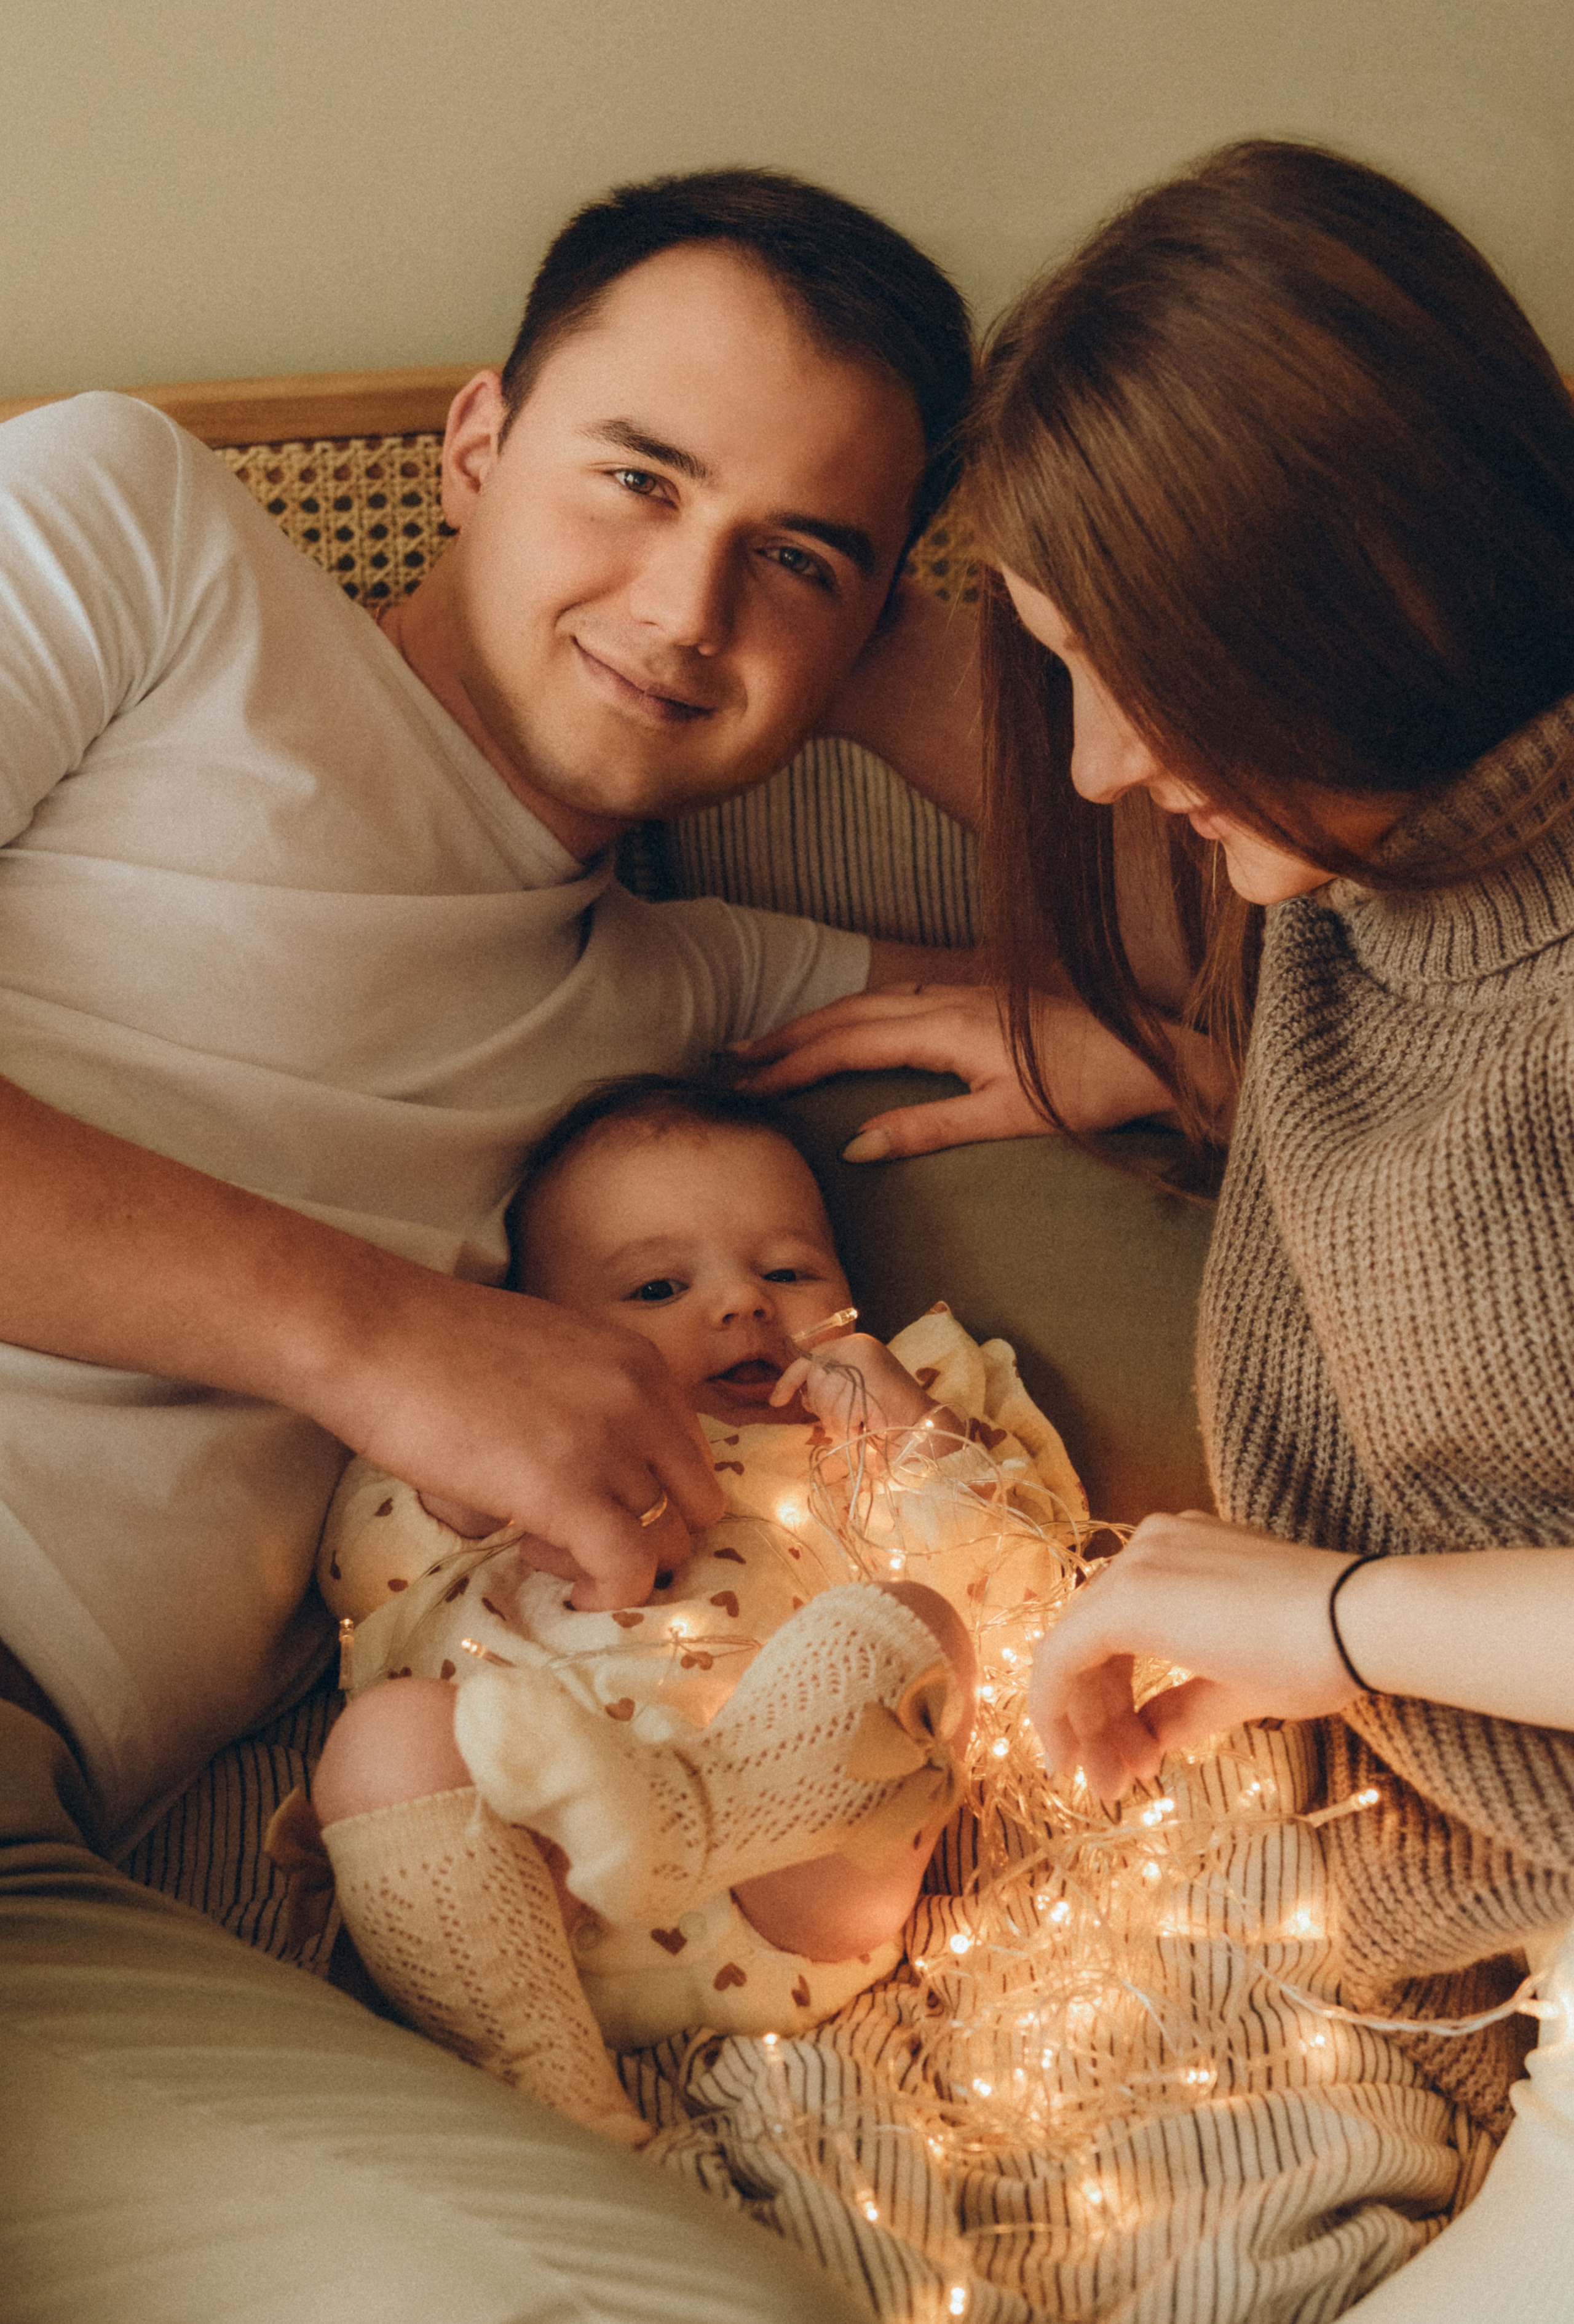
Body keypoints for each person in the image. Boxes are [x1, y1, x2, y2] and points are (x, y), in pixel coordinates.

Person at [0, 168, 990, 2324]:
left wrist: (888, 660)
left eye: (791, 561)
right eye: (635, 479)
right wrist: (374, 1337)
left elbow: (1284, 913)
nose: (685, 604)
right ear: (472, 445)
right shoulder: (130, 527)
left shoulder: (686, 991)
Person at [951, 139, 1574, 2317]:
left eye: (1145, 672)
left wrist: (1326, 1619)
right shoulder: (1343, 900)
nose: (1108, 766)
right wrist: (1157, 1067)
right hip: (1448, 1945)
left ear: (1365, 588)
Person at [295, 1075, 1077, 2146]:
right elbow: (362, 1579)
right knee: (380, 1744)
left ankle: (690, 1824)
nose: (744, 1304)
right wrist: (463, 1484)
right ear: (542, 1330)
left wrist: (917, 1440)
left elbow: (1033, 1592)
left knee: (914, 1630)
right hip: (517, 1880)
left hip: (792, 1896)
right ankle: (549, 2083)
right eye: (659, 1287)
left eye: (789, 1271)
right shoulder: (506, 1429)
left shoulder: (882, 1410)